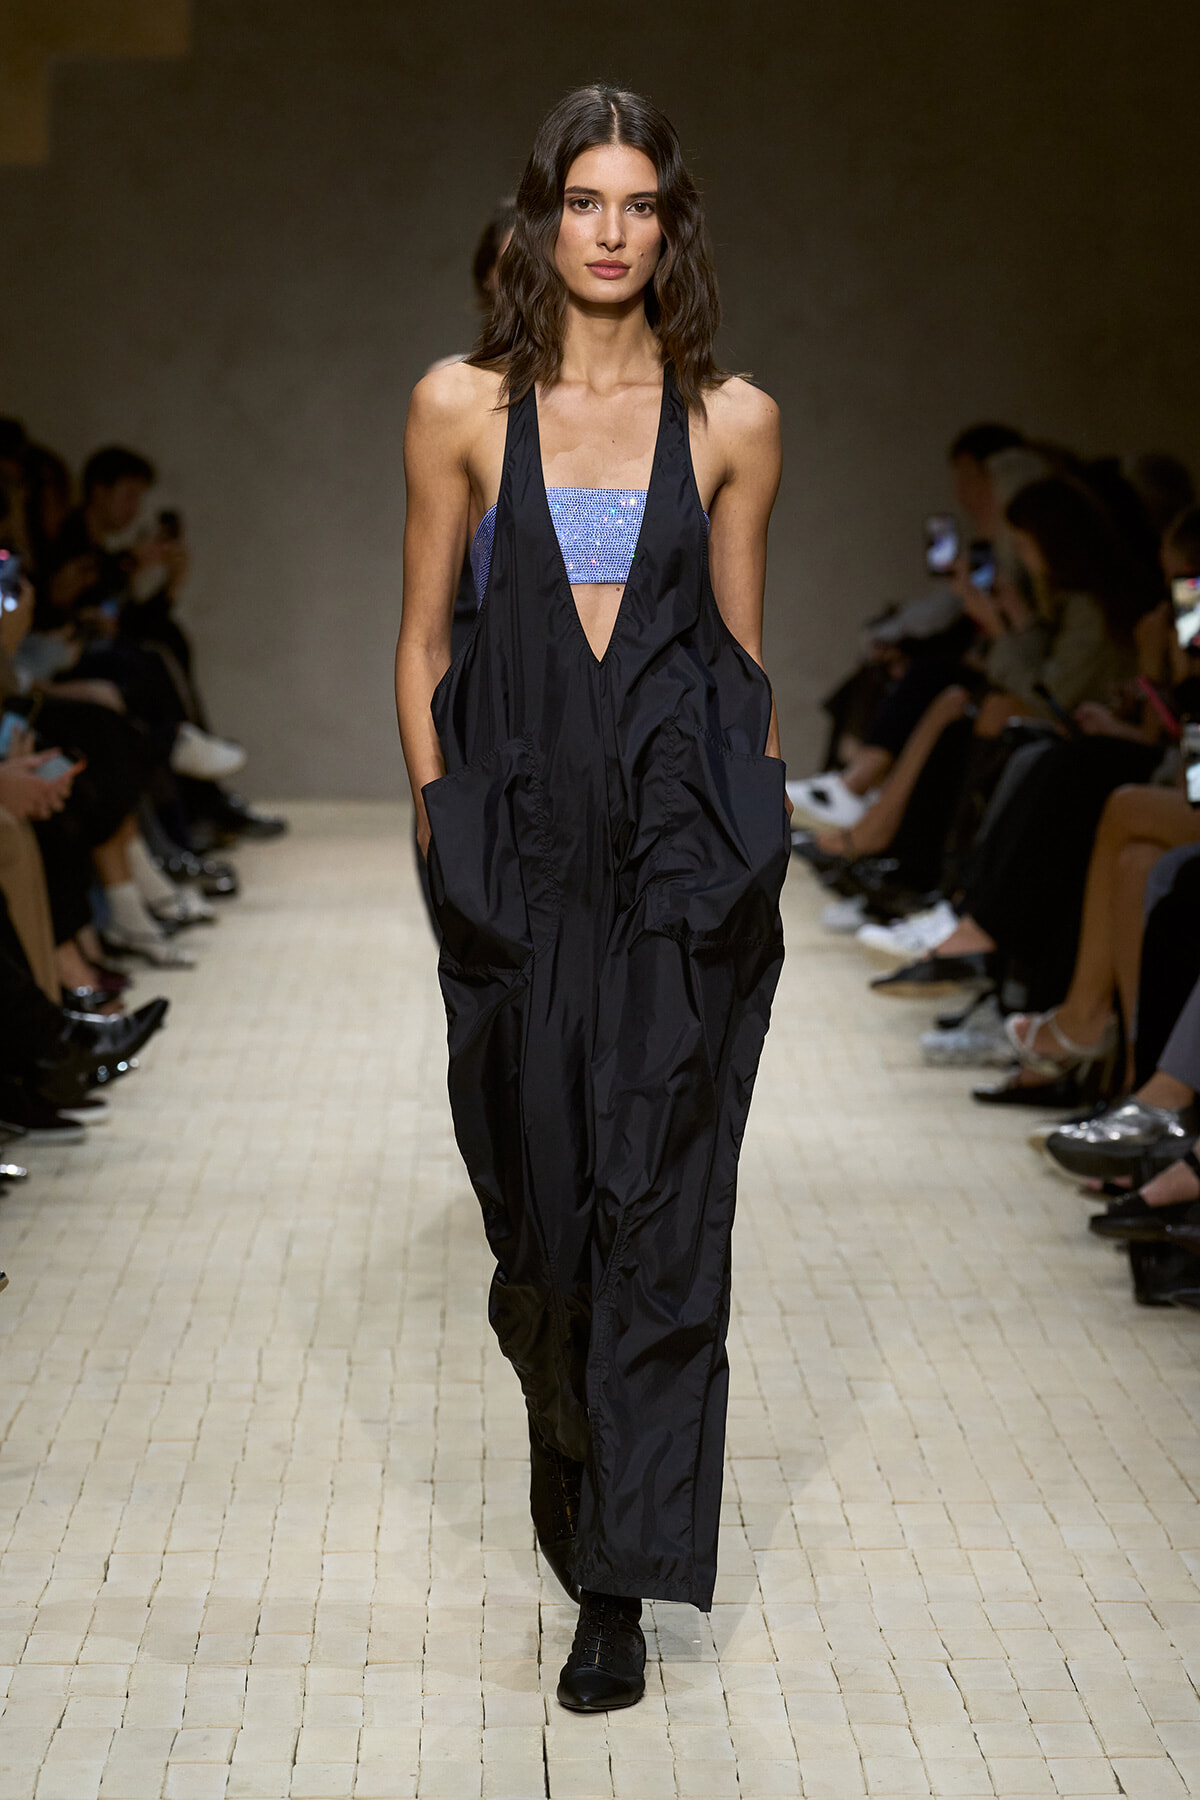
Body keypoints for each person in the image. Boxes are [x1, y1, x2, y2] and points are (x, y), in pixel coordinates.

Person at [395, 85, 789, 1712]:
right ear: (542, 217)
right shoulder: (462, 405)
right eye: (583, 201)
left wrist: (746, 832)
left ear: (669, 222)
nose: (610, 229)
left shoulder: (736, 419)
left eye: (637, 202)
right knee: (541, 1221)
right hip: (521, 862)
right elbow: (424, 636)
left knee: (660, 1217)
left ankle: (615, 1589)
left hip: (687, 867)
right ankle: (571, 1444)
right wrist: (442, 828)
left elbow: (747, 653)